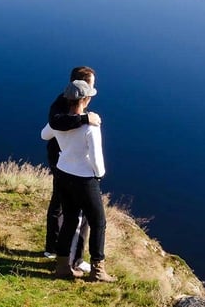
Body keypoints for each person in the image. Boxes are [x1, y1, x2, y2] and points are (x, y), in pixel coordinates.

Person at [41, 79, 116, 282]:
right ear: (85, 99)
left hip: (63, 174)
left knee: (70, 219)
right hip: (85, 179)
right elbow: (97, 159)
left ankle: (63, 267)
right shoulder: (91, 126)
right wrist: (99, 174)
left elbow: (44, 134)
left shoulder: (58, 122)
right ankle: (97, 270)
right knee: (98, 222)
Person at [44, 66, 101, 274]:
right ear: (83, 86)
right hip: (66, 164)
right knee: (79, 215)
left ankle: (61, 253)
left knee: (64, 209)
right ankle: (65, 254)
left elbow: (46, 132)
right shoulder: (62, 103)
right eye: (92, 85)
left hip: (63, 162)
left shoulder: (68, 100)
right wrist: (85, 119)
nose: (95, 89)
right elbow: (55, 123)